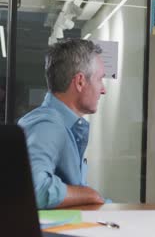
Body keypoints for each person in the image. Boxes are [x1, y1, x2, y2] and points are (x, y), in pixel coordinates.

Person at [18, 39, 106, 209]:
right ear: (80, 81)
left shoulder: (61, 124)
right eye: (100, 79)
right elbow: (34, 190)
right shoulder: (48, 124)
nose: (103, 89)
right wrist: (88, 193)